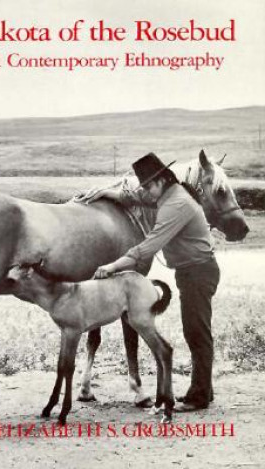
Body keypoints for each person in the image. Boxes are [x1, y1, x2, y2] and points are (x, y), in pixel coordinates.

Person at [88, 152, 220, 412]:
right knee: (195, 329)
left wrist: (112, 266)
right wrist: (109, 194)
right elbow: (138, 198)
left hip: (197, 272)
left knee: (196, 331)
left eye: (149, 185)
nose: (147, 191)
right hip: (192, 271)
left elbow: (148, 247)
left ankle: (199, 396)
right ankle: (204, 388)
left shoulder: (176, 205)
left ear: (162, 180)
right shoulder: (168, 195)